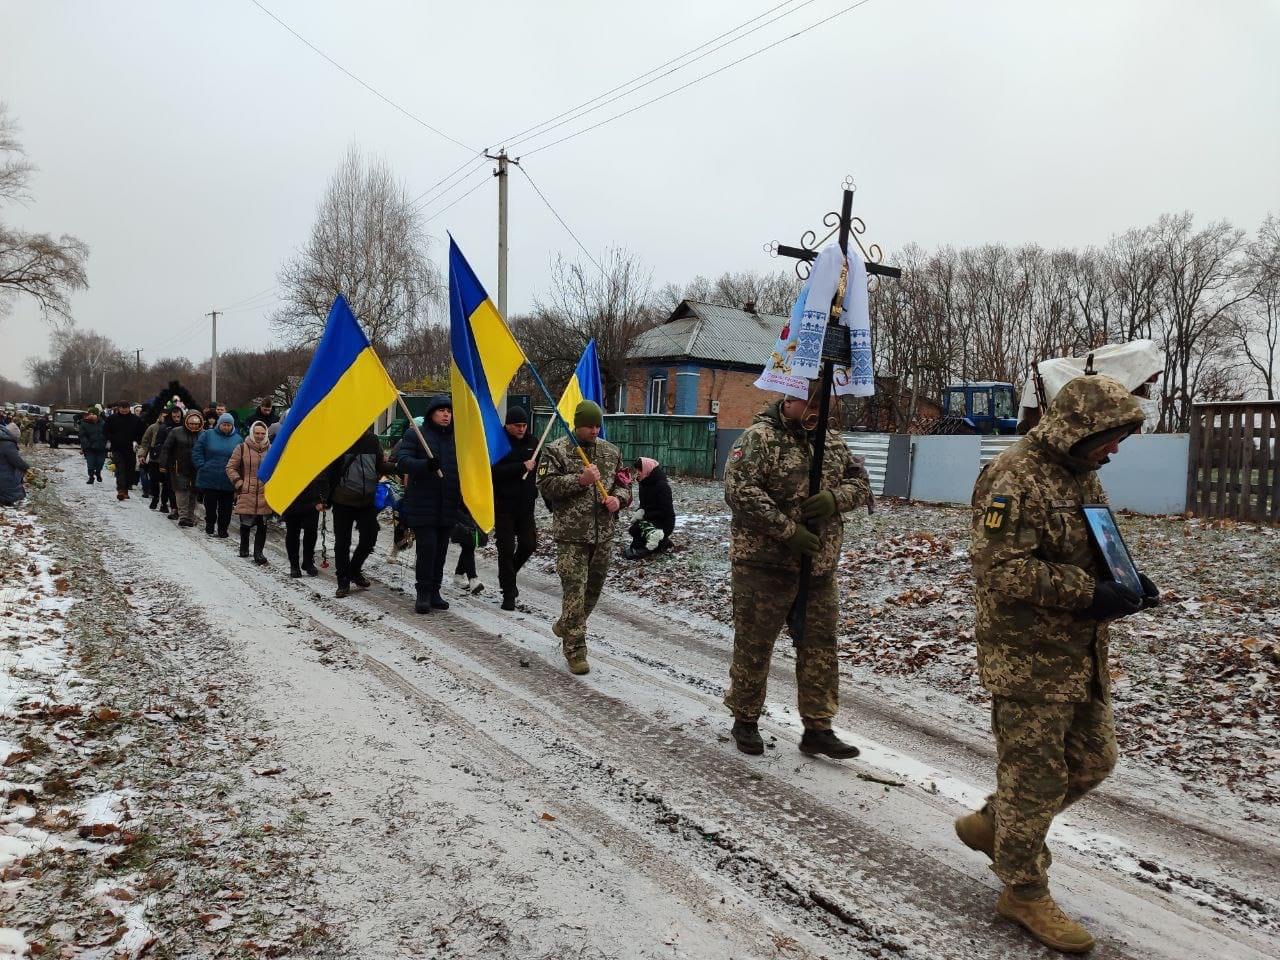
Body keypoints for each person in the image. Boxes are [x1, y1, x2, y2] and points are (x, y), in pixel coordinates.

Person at [956, 374, 1159, 954]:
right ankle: (1022, 889)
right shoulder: (1011, 477)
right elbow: (1000, 572)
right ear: (1079, 428)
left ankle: (999, 823)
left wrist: (1126, 581)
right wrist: (1088, 593)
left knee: (1095, 759)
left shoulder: (1083, 474)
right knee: (1038, 775)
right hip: (1027, 656)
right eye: (1110, 435)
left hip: (1080, 651)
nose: (1115, 448)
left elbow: (1096, 545)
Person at [722, 384, 870, 759]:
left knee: (819, 648)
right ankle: (746, 719)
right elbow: (740, 491)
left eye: (825, 402)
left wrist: (836, 499)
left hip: (818, 570)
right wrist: (788, 532)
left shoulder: (832, 441)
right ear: (790, 398)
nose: (819, 409)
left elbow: (861, 483)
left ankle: (818, 727)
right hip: (764, 567)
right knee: (755, 647)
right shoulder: (760, 438)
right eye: (812, 401)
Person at [536, 400, 632, 675]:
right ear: (577, 425)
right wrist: (580, 480)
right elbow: (546, 486)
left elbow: (624, 484)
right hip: (571, 535)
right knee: (575, 593)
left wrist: (619, 499)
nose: (594, 430)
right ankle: (576, 650)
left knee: (592, 592)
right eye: (589, 425)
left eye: (597, 425)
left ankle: (566, 623)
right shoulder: (557, 451)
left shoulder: (611, 452)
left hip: (603, 535)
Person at [395, 398, 458, 614]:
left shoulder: (455, 438)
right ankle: (422, 592)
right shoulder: (416, 435)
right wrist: (425, 465)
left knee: (441, 550)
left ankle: (435, 591)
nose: (446, 415)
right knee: (427, 549)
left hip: (447, 504)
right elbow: (402, 461)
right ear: (431, 413)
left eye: (449, 411)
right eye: (441, 410)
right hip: (423, 503)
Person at [324, 424, 389, 597]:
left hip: (366, 501)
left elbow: (380, 465)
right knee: (342, 543)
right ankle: (343, 581)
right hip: (342, 500)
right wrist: (322, 496)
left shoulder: (372, 440)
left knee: (370, 537)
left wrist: (400, 467)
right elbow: (328, 470)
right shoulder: (341, 440)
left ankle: (354, 569)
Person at [490, 406, 539, 611]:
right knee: (506, 549)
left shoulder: (534, 443)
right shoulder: (498, 443)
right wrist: (521, 467)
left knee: (529, 544)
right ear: (508, 425)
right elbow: (493, 472)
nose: (521, 429)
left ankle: (507, 575)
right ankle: (509, 593)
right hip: (503, 505)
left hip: (526, 504)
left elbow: (538, 472)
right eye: (516, 425)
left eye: (524, 425)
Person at [226, 421, 273, 564]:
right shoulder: (242, 448)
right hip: (247, 491)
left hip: (265, 492)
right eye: (257, 433)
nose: (260, 436)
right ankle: (244, 547)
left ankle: (258, 553)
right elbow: (230, 467)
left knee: (262, 525)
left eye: (263, 433)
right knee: (246, 523)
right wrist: (239, 483)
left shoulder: (271, 450)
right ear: (252, 433)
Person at [191, 413, 239, 538]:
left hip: (228, 479)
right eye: (224, 424)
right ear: (219, 424)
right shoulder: (208, 434)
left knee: (226, 508)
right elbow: (197, 450)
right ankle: (210, 524)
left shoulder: (238, 439)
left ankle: (223, 529)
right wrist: (202, 465)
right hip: (210, 476)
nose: (226, 427)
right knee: (210, 505)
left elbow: (240, 458)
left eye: (229, 425)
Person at [623, 456, 676, 559]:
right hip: (650, 517)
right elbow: (644, 505)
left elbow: (666, 511)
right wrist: (640, 512)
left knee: (641, 532)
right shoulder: (644, 483)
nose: (637, 472)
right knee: (634, 529)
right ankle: (662, 543)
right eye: (637, 470)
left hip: (664, 521)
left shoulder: (662, 486)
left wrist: (645, 515)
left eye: (640, 470)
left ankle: (661, 542)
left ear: (648, 469)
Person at [159, 409, 205, 526]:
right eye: (191, 424)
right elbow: (166, 448)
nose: (193, 426)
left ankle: (190, 517)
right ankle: (183, 516)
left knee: (193, 493)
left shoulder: (203, 434)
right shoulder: (176, 432)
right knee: (181, 491)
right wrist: (163, 464)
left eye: (196, 424)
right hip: (179, 466)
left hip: (196, 468)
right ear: (186, 422)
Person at [283, 473, 326, 578]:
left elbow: (323, 475)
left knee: (311, 531)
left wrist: (322, 499)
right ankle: (294, 565)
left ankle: (308, 562)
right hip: (291, 497)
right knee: (293, 532)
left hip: (312, 499)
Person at [104, 400, 143, 501]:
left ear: (129, 408)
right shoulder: (112, 419)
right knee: (120, 469)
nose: (124, 410)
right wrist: (112, 439)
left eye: (126, 408)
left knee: (130, 470)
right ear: (119, 408)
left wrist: (136, 441)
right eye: (122, 408)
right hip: (117, 448)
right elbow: (105, 431)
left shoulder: (135, 419)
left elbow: (141, 433)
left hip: (130, 449)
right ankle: (120, 490)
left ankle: (126, 489)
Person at [149, 406, 183, 513]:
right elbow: (158, 443)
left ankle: (171, 505)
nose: (176, 419)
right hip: (168, 459)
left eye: (178, 416)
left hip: (181, 459)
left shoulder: (184, 426)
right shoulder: (165, 427)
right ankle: (163, 502)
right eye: (174, 416)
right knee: (166, 483)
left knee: (173, 485)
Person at [450, 507, 486, 594]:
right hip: (459, 507)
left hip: (473, 508)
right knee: (468, 545)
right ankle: (473, 578)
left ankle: (459, 575)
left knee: (468, 544)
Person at [0, 422, 29, 506]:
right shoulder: (7, 444)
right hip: (3, 474)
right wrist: (27, 468)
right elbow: (16, 461)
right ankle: (9, 499)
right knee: (15, 476)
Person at [78, 407, 108, 485]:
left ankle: (98, 473)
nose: (91, 415)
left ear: (97, 415)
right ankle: (91, 477)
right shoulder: (84, 423)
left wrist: (106, 443)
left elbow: (107, 433)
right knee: (90, 464)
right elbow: (82, 435)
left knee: (100, 463)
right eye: (90, 414)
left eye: (93, 414)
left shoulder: (103, 423)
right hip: (89, 448)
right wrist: (86, 445)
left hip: (101, 447)